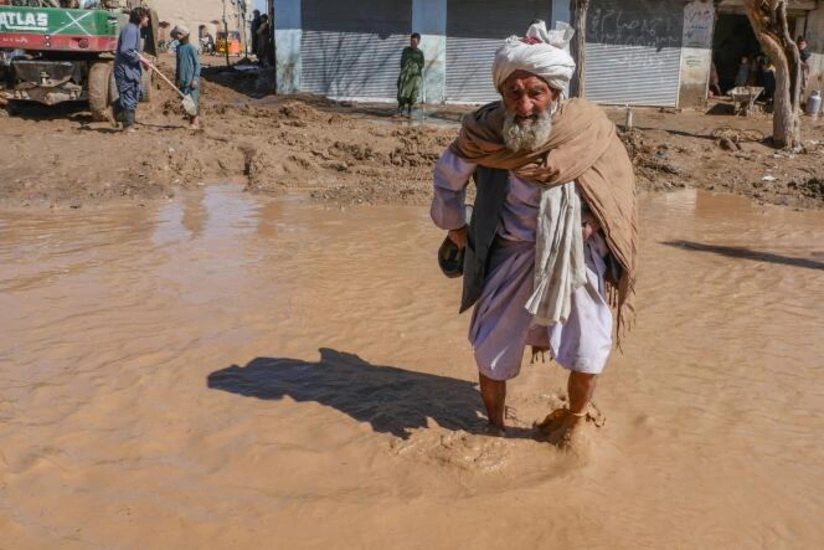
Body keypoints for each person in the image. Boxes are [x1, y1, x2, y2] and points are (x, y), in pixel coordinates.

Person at [431, 20, 638, 446]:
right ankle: (494, 428)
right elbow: (447, 179)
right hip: (511, 251)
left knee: (589, 346)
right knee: (490, 348)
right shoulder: (485, 133)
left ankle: (575, 423)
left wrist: (596, 222)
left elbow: (619, 187)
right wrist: (455, 227)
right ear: (502, 93)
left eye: (535, 93)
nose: (524, 105)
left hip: (576, 251)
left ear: (555, 91)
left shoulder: (589, 128)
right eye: (514, 93)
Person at [113, 7, 150, 131]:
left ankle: (117, 111)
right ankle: (128, 126)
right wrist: (141, 60)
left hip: (131, 67)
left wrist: (143, 60)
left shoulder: (135, 29)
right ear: (141, 18)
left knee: (135, 92)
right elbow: (126, 50)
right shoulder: (131, 30)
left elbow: (133, 51)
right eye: (146, 17)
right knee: (129, 93)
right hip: (125, 68)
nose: (148, 19)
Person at [172, 25, 201, 130]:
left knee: (193, 101)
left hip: (191, 80)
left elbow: (197, 65)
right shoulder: (178, 48)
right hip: (183, 80)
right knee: (186, 101)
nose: (178, 36)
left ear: (186, 35)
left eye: (180, 34)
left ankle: (196, 123)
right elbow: (178, 64)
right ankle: (191, 122)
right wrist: (177, 79)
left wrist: (195, 78)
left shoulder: (191, 48)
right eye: (177, 34)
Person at [397, 33, 425, 117]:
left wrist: (414, 69)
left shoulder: (420, 53)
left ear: (418, 42)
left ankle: (410, 112)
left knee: (413, 94)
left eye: (415, 41)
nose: (412, 43)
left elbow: (422, 65)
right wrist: (404, 72)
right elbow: (402, 62)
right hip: (405, 76)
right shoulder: (405, 50)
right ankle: (400, 111)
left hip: (415, 77)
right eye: (411, 41)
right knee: (402, 93)